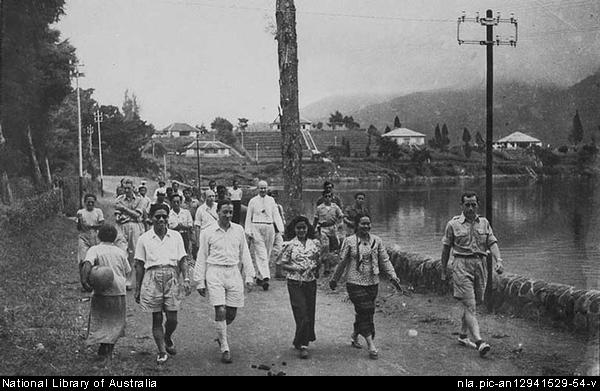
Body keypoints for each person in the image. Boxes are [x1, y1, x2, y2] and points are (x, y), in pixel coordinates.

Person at [328, 212, 404, 360]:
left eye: (368, 223)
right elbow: (342, 262)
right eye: (363, 223)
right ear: (356, 225)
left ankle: (355, 335)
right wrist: (334, 279)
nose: (366, 226)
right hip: (354, 282)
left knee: (366, 312)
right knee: (365, 309)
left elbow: (385, 260)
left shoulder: (377, 241)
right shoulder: (349, 241)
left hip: (372, 283)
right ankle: (371, 344)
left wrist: (393, 276)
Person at [440, 191, 504, 358]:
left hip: (481, 265)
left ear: (478, 205)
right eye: (467, 204)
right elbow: (446, 249)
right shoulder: (452, 224)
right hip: (461, 264)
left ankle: (462, 335)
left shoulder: (484, 223)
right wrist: (443, 270)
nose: (470, 208)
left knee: (476, 301)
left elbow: (492, 242)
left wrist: (499, 260)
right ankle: (479, 342)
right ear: (462, 206)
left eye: (473, 204)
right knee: (470, 305)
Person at [194, 199, 256, 364]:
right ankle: (225, 347)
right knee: (220, 310)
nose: (228, 215)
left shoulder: (238, 230)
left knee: (231, 314)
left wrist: (250, 276)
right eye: (225, 212)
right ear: (217, 212)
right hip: (214, 272)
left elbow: (245, 254)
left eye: (230, 212)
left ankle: (220, 333)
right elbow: (202, 256)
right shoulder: (208, 232)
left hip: (233, 272)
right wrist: (199, 281)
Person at [134, 204, 192, 364]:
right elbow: (139, 265)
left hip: (172, 276)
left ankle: (167, 337)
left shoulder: (176, 236)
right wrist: (138, 288)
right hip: (151, 277)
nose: (161, 219)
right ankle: (161, 350)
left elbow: (183, 259)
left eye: (164, 216)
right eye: (157, 216)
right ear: (151, 218)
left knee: (172, 318)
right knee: (157, 316)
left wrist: (186, 279)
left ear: (168, 218)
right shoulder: (144, 238)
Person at [80, 224, 130, 366]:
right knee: (115, 321)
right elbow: (127, 270)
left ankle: (104, 349)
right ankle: (108, 350)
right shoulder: (120, 252)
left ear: (98, 236)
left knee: (101, 319)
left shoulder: (94, 249)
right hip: (118, 291)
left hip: (101, 291)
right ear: (115, 238)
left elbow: (87, 265)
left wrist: (84, 281)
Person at [276, 216, 322, 359]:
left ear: (307, 229)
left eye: (304, 228)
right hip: (295, 282)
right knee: (301, 311)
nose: (301, 230)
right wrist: (296, 268)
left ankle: (301, 341)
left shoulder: (314, 243)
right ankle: (303, 345)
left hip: (310, 282)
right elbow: (281, 264)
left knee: (309, 312)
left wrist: (317, 268)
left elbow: (318, 260)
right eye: (298, 228)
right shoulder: (289, 245)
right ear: (294, 229)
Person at [245, 180, 284, 291]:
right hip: (256, 226)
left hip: (269, 227)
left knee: (266, 253)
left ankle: (259, 276)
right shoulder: (253, 201)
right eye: (261, 188)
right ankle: (266, 278)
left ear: (267, 189)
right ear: (257, 189)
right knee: (260, 252)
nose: (263, 190)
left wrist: (281, 228)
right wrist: (248, 230)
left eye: (264, 188)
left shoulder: (271, 200)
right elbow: (249, 216)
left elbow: (275, 214)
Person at [114, 178, 145, 290]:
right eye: (125, 188)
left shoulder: (140, 199)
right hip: (121, 227)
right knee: (121, 251)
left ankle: (129, 281)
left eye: (129, 188)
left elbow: (137, 215)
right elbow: (117, 214)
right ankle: (120, 279)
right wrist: (120, 216)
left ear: (133, 188)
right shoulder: (119, 199)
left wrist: (124, 209)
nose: (126, 190)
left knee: (133, 253)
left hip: (134, 226)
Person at [313, 190, 344, 276]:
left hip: (333, 228)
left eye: (329, 196)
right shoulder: (319, 208)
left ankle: (332, 266)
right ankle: (325, 268)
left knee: (335, 247)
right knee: (325, 246)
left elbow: (341, 216)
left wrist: (340, 224)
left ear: (332, 198)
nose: (327, 198)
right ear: (323, 198)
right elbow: (315, 219)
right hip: (323, 228)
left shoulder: (335, 207)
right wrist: (313, 229)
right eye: (326, 196)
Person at [76, 194, 105, 272]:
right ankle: (83, 277)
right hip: (83, 236)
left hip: (95, 236)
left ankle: (95, 276)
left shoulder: (98, 211)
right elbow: (79, 228)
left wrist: (91, 226)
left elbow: (102, 224)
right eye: (88, 202)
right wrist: (79, 220)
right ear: (85, 202)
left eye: (92, 202)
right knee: (83, 258)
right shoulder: (81, 212)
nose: (90, 204)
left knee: (96, 257)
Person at [268, 190, 286, 279]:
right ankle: (262, 274)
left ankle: (278, 272)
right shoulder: (266, 207)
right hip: (268, 231)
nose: (274, 198)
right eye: (272, 196)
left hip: (277, 231)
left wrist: (282, 230)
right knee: (266, 253)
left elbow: (282, 218)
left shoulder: (279, 207)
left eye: (275, 196)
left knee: (280, 250)